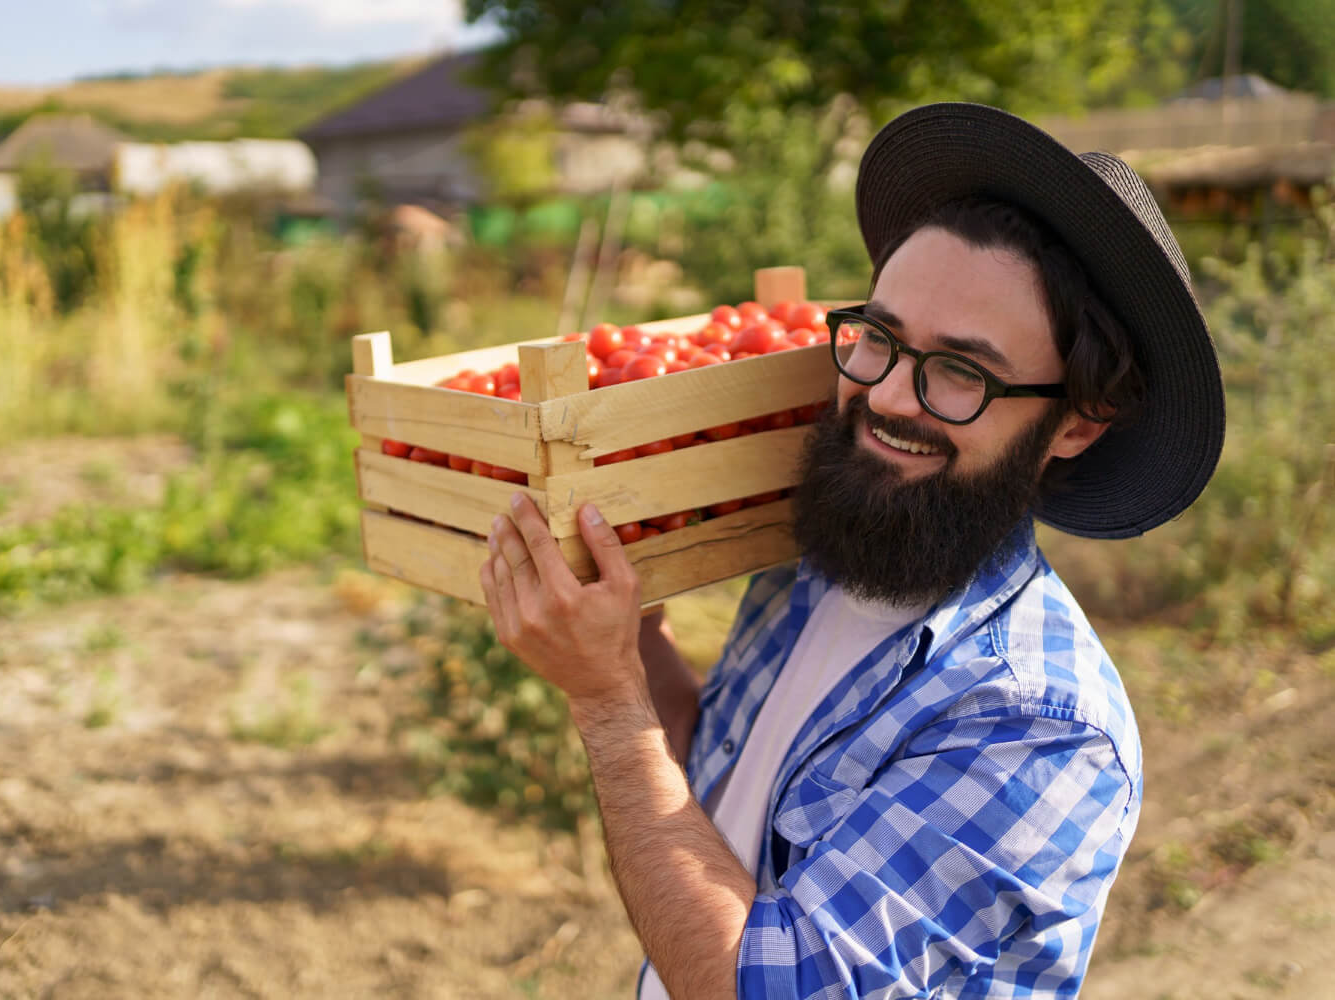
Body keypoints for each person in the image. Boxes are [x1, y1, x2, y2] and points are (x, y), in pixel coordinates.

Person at [478, 103, 1224, 999]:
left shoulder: (1037, 723)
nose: (890, 398)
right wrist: (627, 646)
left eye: (963, 371)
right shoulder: (827, 562)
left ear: (1075, 423)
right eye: (880, 336)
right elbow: (713, 810)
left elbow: (761, 987)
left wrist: (607, 707)